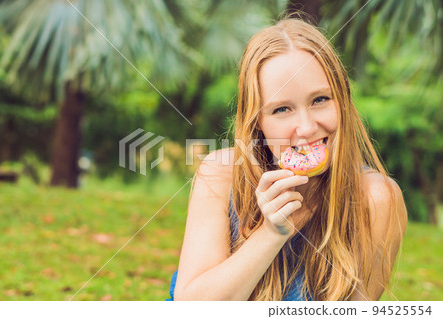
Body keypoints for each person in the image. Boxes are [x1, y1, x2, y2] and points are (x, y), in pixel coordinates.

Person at [166, 16, 407, 301]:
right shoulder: (219, 174)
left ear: (342, 101)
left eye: (320, 100)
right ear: (257, 122)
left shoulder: (377, 199)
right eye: (282, 109)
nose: (305, 128)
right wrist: (271, 233)